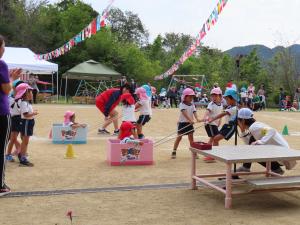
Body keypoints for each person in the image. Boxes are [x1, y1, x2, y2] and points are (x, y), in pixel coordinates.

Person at [236, 108, 296, 174]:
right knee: (252, 148)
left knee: (254, 151)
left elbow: (272, 131)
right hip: (282, 154)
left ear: (243, 120)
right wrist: (242, 131)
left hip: (282, 156)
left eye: (238, 120)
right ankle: (246, 167)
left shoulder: (254, 127)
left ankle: (276, 169)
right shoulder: (254, 127)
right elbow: (249, 144)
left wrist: (261, 142)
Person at [171, 88, 201, 159]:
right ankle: (174, 151)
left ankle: (194, 152)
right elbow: (184, 113)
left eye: (192, 97)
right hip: (183, 123)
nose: (191, 98)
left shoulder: (192, 105)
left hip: (190, 124)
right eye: (189, 97)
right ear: (185, 97)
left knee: (191, 139)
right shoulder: (182, 104)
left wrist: (197, 118)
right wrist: (190, 120)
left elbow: (194, 112)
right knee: (179, 137)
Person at [0, 34, 13, 194]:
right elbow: (6, 89)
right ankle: (0, 185)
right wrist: (11, 80)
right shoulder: (1, 64)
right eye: (3, 46)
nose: (4, 50)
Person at [15, 83, 38, 167]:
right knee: (25, 141)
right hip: (26, 123)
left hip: (29, 123)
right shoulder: (24, 103)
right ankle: (23, 158)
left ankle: (21, 154)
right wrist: (33, 113)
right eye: (30, 92)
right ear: (25, 93)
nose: (32, 94)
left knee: (25, 141)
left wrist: (32, 113)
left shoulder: (27, 103)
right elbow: (25, 115)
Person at [202, 88, 223, 162]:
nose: (214, 97)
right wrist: (204, 118)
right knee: (214, 138)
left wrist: (220, 120)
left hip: (214, 124)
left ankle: (209, 153)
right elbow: (207, 111)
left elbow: (220, 114)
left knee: (213, 138)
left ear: (220, 96)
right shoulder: (211, 104)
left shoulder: (221, 104)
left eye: (215, 96)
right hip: (210, 124)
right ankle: (211, 154)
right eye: (212, 96)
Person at [6, 80, 24, 162]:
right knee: (12, 138)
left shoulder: (22, 99)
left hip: (19, 119)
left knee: (13, 138)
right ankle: (8, 154)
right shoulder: (10, 97)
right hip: (14, 119)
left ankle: (19, 151)